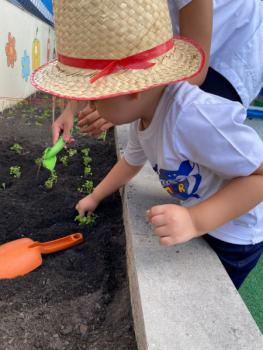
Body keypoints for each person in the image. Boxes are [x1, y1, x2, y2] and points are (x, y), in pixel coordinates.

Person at [31, 0, 263, 290]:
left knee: (205, 297)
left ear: (134, 90)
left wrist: (195, 220)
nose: (90, 106)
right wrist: (95, 196)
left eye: (96, 97)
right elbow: (130, 162)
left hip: (234, 234)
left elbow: (259, 177)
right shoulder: (145, 115)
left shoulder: (194, 116)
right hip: (201, 213)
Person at [51, 0, 263, 142]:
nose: (92, 100)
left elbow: (196, 70)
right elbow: (100, 54)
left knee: (199, 138)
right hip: (175, 42)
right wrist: (72, 108)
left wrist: (117, 103)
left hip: (232, 39)